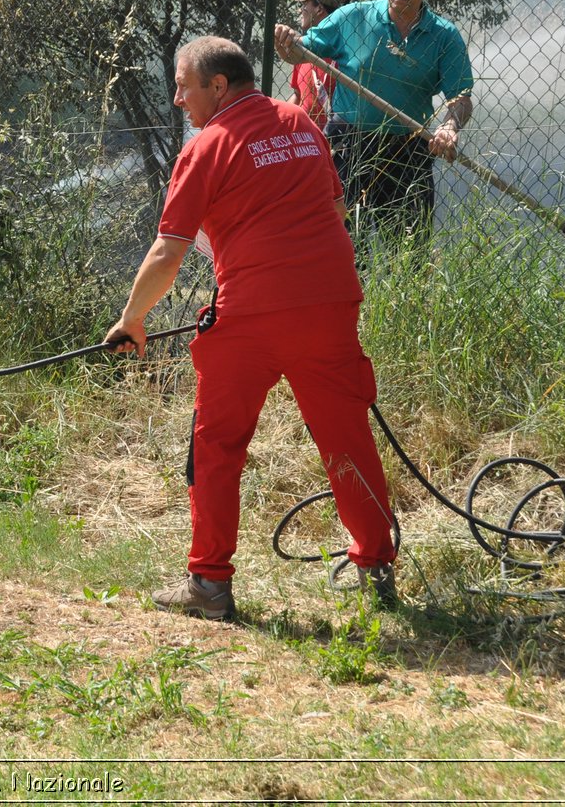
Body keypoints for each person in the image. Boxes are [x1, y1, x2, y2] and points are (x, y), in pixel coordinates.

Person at [104, 37, 398, 620]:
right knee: (346, 436)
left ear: (217, 86)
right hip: (331, 303)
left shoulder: (205, 147)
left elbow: (168, 251)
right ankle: (375, 568)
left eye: (184, 85)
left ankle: (209, 586)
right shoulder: (298, 122)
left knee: (217, 445)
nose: (176, 97)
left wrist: (131, 319)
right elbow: (333, 211)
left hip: (252, 315)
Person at [274, 0, 474, 236]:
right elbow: (302, 51)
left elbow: (461, 96)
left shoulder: (444, 36)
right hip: (347, 145)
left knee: (410, 242)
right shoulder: (352, 17)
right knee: (341, 240)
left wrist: (449, 126)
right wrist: (287, 43)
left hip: (409, 146)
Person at [285, 0, 353, 130]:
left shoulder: (348, 54)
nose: (300, 10)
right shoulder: (302, 49)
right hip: (303, 141)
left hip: (336, 143)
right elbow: (298, 95)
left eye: (304, 4)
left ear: (319, 9)